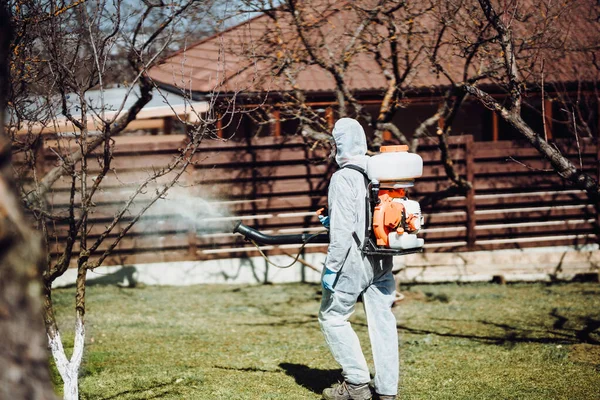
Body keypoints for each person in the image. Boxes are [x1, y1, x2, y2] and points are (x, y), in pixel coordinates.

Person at [319, 118, 398, 400]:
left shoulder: (343, 178)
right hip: (383, 259)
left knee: (333, 317)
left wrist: (330, 269)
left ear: (338, 145)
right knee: (383, 322)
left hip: (354, 260)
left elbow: (342, 233)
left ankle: (356, 384)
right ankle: (388, 391)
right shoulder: (380, 172)